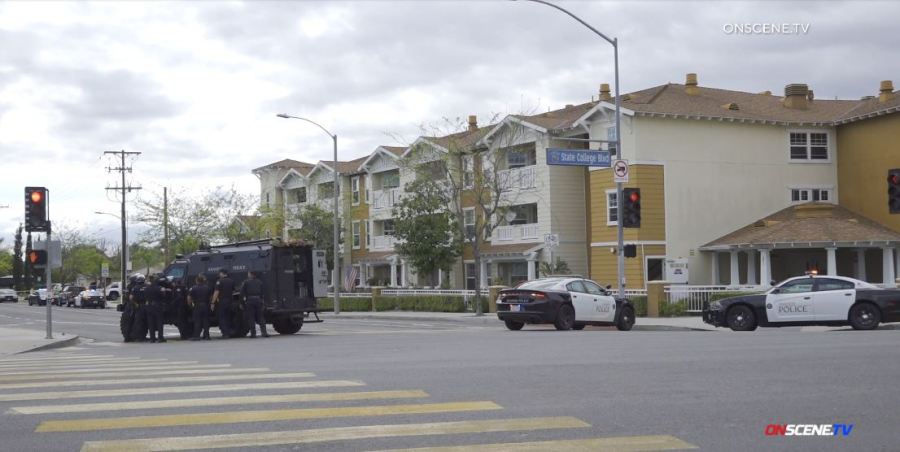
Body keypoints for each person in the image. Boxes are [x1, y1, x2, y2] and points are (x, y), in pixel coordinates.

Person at [240, 271, 268, 338]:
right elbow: (262, 293)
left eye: (249, 274)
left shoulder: (246, 282)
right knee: (261, 317)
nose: (248, 275)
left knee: (251, 317)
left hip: (250, 301)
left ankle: (253, 334)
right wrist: (262, 302)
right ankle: (264, 332)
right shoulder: (260, 282)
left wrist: (241, 303)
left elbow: (242, 293)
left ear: (252, 275)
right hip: (258, 300)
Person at [143, 274, 169, 343]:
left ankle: (152, 338)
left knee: (151, 323)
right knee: (159, 322)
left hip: (149, 306)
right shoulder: (160, 288)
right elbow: (163, 296)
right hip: (157, 306)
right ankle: (160, 338)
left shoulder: (146, 288)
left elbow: (145, 296)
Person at [212, 270, 235, 338]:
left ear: (222, 273)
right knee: (228, 317)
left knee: (222, 318)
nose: (219, 274)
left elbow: (216, 292)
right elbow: (233, 291)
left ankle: (225, 333)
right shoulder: (231, 281)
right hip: (230, 301)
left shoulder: (219, 281)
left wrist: (213, 302)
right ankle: (228, 332)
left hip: (222, 301)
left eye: (219, 273)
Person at [188, 274, 211, 340]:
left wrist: (189, 305)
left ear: (197, 281)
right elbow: (210, 297)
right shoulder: (207, 288)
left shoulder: (193, 288)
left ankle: (196, 336)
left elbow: (189, 298)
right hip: (205, 305)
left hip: (197, 306)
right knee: (206, 321)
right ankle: (207, 336)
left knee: (197, 321)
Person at [127, 274, 149, 342]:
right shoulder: (147, 287)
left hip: (139, 306)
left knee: (138, 322)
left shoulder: (135, 288)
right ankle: (144, 336)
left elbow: (130, 298)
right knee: (146, 322)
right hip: (147, 306)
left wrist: (135, 304)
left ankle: (139, 337)